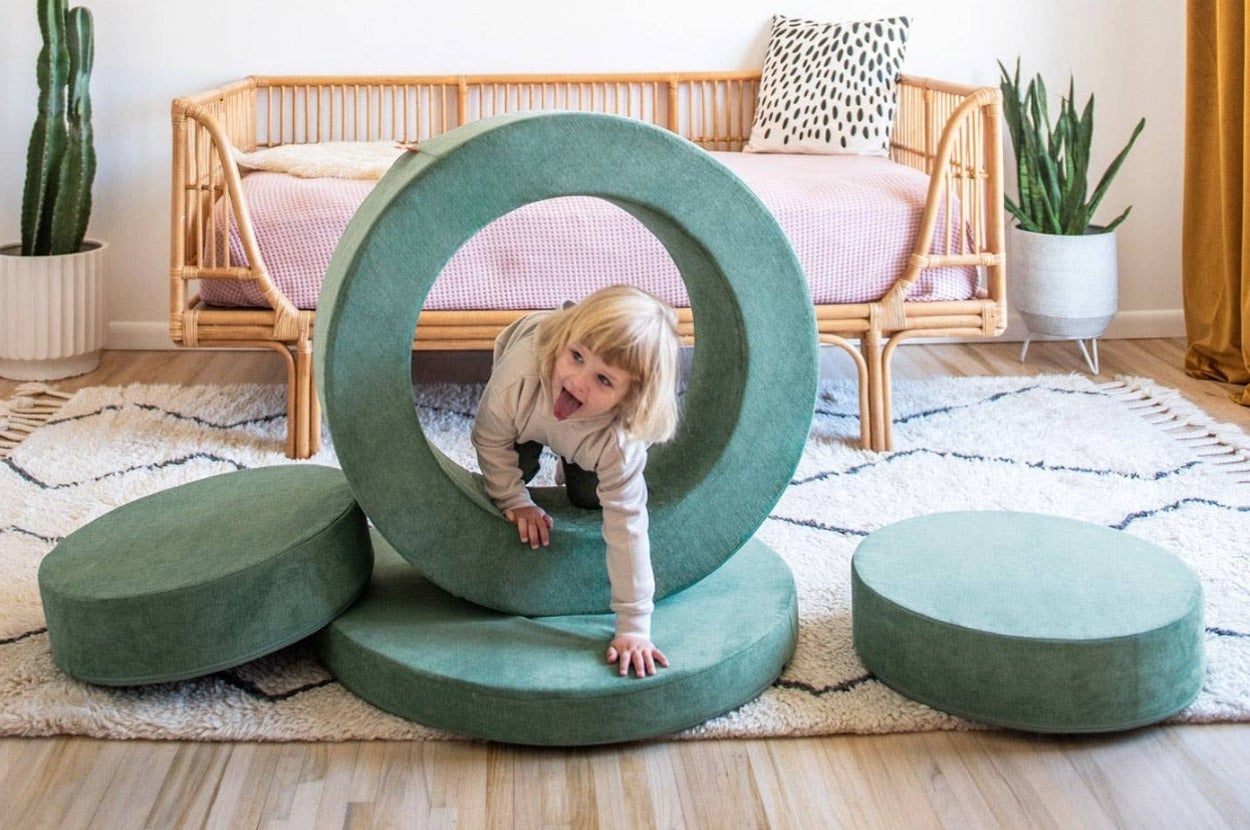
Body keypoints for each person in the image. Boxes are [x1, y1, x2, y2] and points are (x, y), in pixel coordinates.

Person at [470, 284, 681, 678]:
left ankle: (571, 461)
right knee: (516, 471)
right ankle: (537, 460)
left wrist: (634, 627)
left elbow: (628, 526)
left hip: (590, 435)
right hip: (525, 409)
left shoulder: (620, 441)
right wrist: (514, 498)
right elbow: (489, 438)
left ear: (631, 399)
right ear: (565, 339)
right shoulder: (519, 376)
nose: (577, 381)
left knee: (589, 498)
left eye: (604, 379)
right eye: (577, 356)